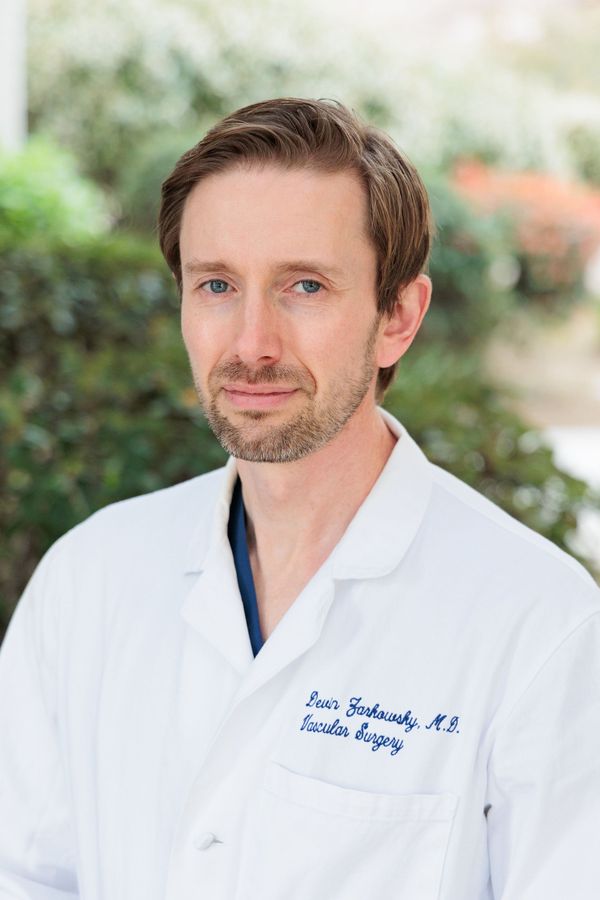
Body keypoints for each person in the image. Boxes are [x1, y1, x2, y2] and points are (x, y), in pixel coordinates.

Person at [0, 97, 599, 900]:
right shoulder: (89, 578)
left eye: (305, 286)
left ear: (397, 317)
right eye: (217, 284)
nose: (251, 344)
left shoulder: (541, 625)